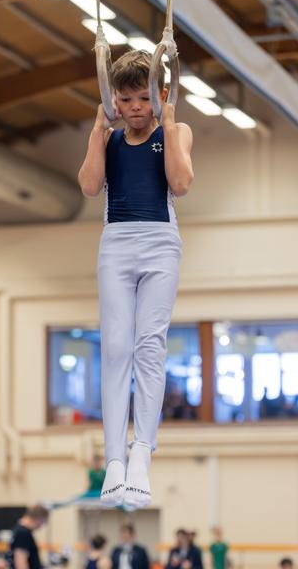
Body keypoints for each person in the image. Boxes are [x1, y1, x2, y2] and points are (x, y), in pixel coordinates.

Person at [78, 49, 193, 509]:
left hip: (161, 242)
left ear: (161, 96)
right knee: (116, 346)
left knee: (150, 344)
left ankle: (142, 450)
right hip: (117, 244)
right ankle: (114, 460)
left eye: (143, 99)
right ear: (113, 102)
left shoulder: (176, 129)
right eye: (124, 100)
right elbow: (89, 187)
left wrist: (166, 123)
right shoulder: (107, 136)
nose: (134, 109)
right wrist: (96, 129)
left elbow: (181, 184)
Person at [6, 504, 49, 569]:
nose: (41, 526)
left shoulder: (18, 530)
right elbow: (20, 563)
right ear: (39, 518)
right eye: (43, 522)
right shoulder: (23, 533)